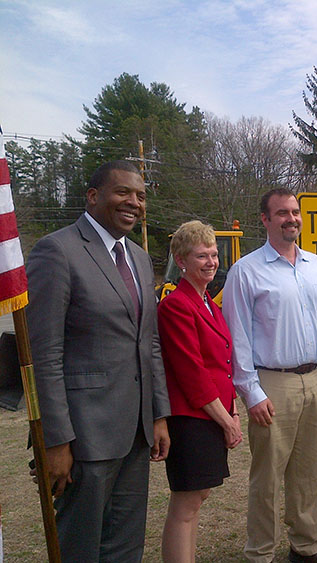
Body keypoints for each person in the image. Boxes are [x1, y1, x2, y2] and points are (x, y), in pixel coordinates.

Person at [26, 160, 171, 562]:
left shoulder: (140, 260)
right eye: (123, 192)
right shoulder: (57, 251)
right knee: (82, 547)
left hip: (136, 433)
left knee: (125, 547)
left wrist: (159, 416)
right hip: (84, 438)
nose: (134, 202)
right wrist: (55, 440)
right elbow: (45, 353)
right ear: (93, 196)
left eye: (141, 196)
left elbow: (150, 343)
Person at [222, 188, 317, 563]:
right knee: (267, 478)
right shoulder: (246, 272)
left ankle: (305, 546)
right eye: (281, 213)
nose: (291, 219)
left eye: (295, 212)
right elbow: (238, 337)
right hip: (272, 383)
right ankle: (261, 553)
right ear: (265, 219)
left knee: (310, 472)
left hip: (316, 377)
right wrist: (251, 391)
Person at [158, 221, 243, 562]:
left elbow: (223, 362)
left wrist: (232, 411)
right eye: (201, 256)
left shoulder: (207, 301)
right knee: (186, 504)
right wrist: (227, 422)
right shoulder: (176, 305)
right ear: (180, 260)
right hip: (191, 418)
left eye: (213, 255)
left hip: (212, 414)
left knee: (199, 497)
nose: (211, 262)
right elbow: (192, 373)